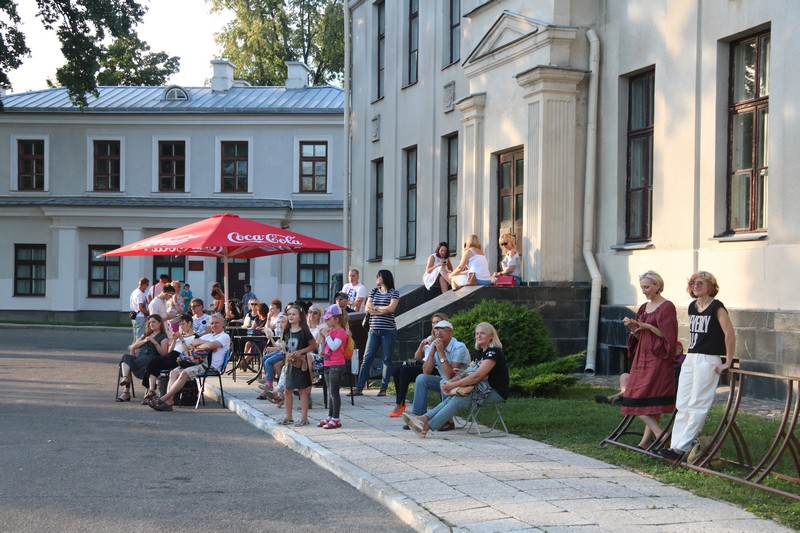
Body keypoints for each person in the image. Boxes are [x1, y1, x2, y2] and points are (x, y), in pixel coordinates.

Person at [659, 271, 736, 460]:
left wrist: (728, 361)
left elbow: (730, 334)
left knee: (697, 403)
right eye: (693, 283)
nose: (696, 286)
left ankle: (682, 448)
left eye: (700, 283)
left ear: (710, 285)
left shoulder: (717, 307)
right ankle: (675, 445)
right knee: (683, 402)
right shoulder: (693, 306)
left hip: (708, 359)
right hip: (691, 357)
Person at [404, 322, 509, 437]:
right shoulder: (480, 353)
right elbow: (466, 373)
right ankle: (423, 418)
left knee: (458, 400)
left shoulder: (493, 353)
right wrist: (450, 382)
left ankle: (425, 428)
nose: (479, 335)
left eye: (483, 333)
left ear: (491, 336)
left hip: (495, 391)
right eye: (477, 333)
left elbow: (476, 377)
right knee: (453, 397)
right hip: (482, 389)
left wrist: (452, 385)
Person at [619, 271, 678, 449]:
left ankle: (658, 435)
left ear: (657, 285)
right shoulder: (644, 308)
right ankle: (649, 440)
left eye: (647, 287)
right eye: (642, 287)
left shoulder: (667, 306)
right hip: (642, 356)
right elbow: (639, 337)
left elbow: (668, 336)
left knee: (641, 398)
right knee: (646, 399)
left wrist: (648, 326)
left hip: (658, 357)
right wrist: (633, 328)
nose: (644, 291)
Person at [149, 313, 231, 411]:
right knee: (173, 372)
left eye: (216, 323)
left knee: (184, 373)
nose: (214, 325)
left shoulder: (225, 336)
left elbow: (209, 346)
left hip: (210, 366)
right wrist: (206, 345)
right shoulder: (208, 336)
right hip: (197, 362)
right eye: (212, 323)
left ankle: (164, 398)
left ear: (223, 323)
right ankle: (169, 401)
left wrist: (205, 345)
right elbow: (193, 344)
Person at [405, 320, 470, 431]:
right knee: (421, 378)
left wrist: (440, 352)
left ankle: (447, 421)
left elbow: (450, 375)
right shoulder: (436, 347)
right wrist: (432, 352)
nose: (439, 333)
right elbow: (426, 371)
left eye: (443, 330)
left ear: (451, 333)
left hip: (461, 383)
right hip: (446, 383)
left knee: (443, 380)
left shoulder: (459, 347)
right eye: (437, 330)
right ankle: (418, 417)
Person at [389, 312, 448, 418]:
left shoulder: (444, 339)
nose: (435, 325)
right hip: (422, 364)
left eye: (438, 322)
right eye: (433, 323)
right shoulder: (430, 337)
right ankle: (400, 402)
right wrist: (421, 346)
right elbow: (417, 357)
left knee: (405, 371)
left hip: (434, 367)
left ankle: (400, 404)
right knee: (396, 370)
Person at [351, 270, 400, 396]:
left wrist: (376, 309)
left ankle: (383, 388)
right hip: (373, 329)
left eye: (379, 276)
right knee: (367, 358)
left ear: (385, 277)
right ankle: (359, 387)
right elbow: (367, 308)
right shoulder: (374, 291)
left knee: (386, 359)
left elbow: (391, 308)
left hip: (388, 330)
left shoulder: (394, 292)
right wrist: (381, 310)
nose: (377, 278)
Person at [141, 314, 197, 403]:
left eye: (183, 324)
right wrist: (174, 340)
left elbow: (188, 352)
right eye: (180, 325)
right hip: (171, 355)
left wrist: (181, 339)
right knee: (153, 362)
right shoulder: (180, 336)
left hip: (180, 357)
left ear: (189, 323)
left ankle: (151, 391)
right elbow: (170, 350)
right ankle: (151, 390)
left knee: (154, 361)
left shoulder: (195, 337)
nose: (181, 327)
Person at [278, 304, 318, 426]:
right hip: (289, 364)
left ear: (300, 317)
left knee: (302, 390)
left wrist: (301, 351)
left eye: (293, 314)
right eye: (289, 314)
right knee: (287, 390)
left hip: (301, 364)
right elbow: (283, 345)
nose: (291, 316)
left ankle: (304, 418)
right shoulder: (286, 331)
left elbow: (313, 345)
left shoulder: (304, 331)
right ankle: (288, 416)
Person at [117, 314, 170, 402]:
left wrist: (155, 342)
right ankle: (126, 383)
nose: (151, 324)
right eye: (149, 323)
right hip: (139, 359)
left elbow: (164, 353)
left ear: (160, 323)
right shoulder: (146, 335)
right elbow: (133, 347)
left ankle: (148, 391)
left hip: (151, 360)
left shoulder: (163, 337)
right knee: (125, 358)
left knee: (146, 362)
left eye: (154, 322)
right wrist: (144, 341)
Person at [317, 305, 349, 429]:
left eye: (328, 319)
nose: (326, 321)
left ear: (336, 319)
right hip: (328, 364)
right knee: (330, 392)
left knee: (334, 393)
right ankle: (330, 416)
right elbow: (324, 348)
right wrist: (322, 337)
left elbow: (335, 346)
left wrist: (327, 335)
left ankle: (336, 418)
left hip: (337, 364)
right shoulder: (329, 331)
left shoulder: (341, 332)